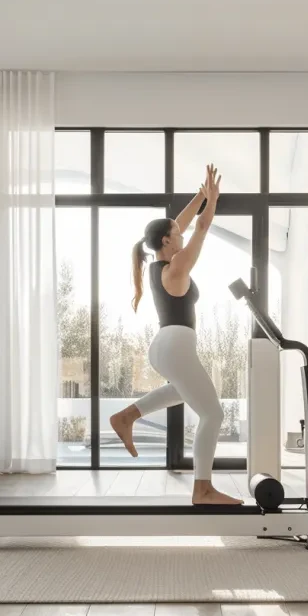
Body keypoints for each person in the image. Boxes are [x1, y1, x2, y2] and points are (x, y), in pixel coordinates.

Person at [109, 165, 242, 505]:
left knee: (182, 392)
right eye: (175, 234)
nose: (181, 235)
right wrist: (211, 201)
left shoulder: (157, 265)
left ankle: (128, 416)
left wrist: (199, 194)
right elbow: (201, 226)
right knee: (213, 414)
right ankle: (203, 489)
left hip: (165, 346)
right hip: (176, 346)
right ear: (167, 241)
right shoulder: (177, 266)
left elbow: (180, 226)